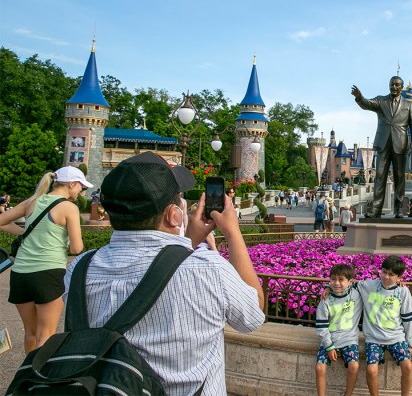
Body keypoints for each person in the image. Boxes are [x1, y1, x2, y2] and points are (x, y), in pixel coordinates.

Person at [64, 151, 265, 394]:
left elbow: (163, 270)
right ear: (174, 215)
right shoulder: (209, 269)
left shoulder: (79, 268)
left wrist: (189, 239)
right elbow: (253, 314)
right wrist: (232, 232)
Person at [0, 167, 88, 352]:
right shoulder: (69, 207)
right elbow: (76, 248)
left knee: (30, 333)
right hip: (48, 274)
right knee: (46, 335)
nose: (82, 191)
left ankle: (26, 376)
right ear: (72, 184)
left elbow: (2, 221)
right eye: (81, 186)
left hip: (20, 274)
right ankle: (38, 378)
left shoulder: (31, 202)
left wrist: (24, 233)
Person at [352, 77, 412, 218]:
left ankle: (398, 209)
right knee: (380, 176)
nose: (394, 87)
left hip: (400, 144)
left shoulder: (408, 104)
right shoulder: (381, 101)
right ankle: (376, 209)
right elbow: (367, 104)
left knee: (399, 178)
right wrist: (359, 97)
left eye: (397, 85)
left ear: (401, 88)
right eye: (391, 85)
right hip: (383, 144)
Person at [358, 255, 412, 396]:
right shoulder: (369, 286)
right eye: (384, 272)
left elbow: (408, 317)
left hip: (396, 338)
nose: (386, 277)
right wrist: (328, 287)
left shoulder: (402, 291)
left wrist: (410, 338)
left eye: (391, 275)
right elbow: (347, 285)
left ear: (399, 277)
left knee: (407, 367)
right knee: (371, 370)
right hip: (374, 339)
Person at [315, 263, 362, 396]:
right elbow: (321, 326)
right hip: (329, 339)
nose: (336, 283)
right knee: (320, 367)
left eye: (341, 280)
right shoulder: (325, 299)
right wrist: (329, 347)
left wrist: (398, 284)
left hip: (349, 339)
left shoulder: (356, 294)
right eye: (333, 279)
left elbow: (375, 285)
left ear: (349, 282)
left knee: (354, 367)